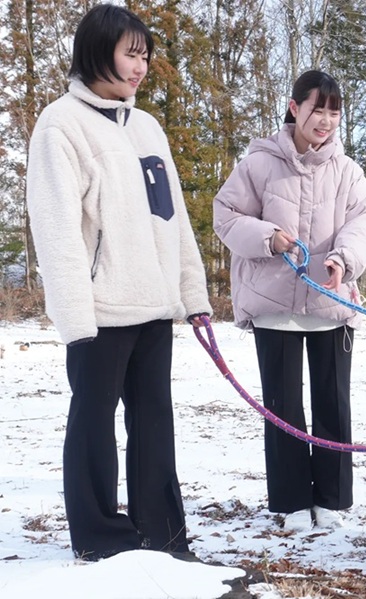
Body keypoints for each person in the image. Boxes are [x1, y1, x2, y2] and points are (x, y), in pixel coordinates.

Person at [25, 4, 212, 561]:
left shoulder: (147, 127)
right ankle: (101, 538)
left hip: (153, 307)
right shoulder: (61, 123)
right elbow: (56, 229)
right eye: (132, 53)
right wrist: (74, 319)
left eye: (146, 56)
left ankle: (163, 536)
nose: (141, 66)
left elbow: (172, 219)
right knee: (93, 425)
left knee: (155, 425)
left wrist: (192, 296)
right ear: (97, 49)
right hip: (100, 310)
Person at [213, 70, 366, 532]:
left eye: (333, 112)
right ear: (294, 107)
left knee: (332, 404)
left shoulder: (348, 172)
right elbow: (225, 215)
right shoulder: (260, 163)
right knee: (283, 407)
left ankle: (331, 500)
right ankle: (288, 502)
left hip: (330, 304)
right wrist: (268, 237)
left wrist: (343, 259)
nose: (324, 121)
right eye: (316, 109)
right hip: (273, 303)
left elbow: (364, 218)